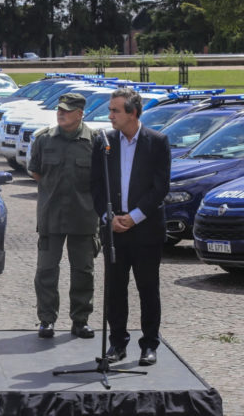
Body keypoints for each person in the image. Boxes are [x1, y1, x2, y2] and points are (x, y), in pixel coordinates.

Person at [90, 88, 171, 366]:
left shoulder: (157, 142)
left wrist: (134, 217)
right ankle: (117, 344)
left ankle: (149, 344)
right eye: (110, 110)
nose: (109, 115)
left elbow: (160, 187)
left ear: (133, 113)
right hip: (113, 229)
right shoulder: (104, 142)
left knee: (148, 288)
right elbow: (96, 186)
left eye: (115, 110)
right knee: (115, 289)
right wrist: (108, 216)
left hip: (145, 229)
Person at [28, 93, 99, 339]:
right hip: (51, 216)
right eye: (59, 110)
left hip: (84, 216)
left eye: (67, 111)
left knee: (83, 271)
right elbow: (36, 172)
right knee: (46, 270)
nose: (61, 114)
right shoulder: (44, 140)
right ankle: (46, 320)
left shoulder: (95, 141)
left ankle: (80, 320)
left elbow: (103, 180)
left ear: (81, 114)